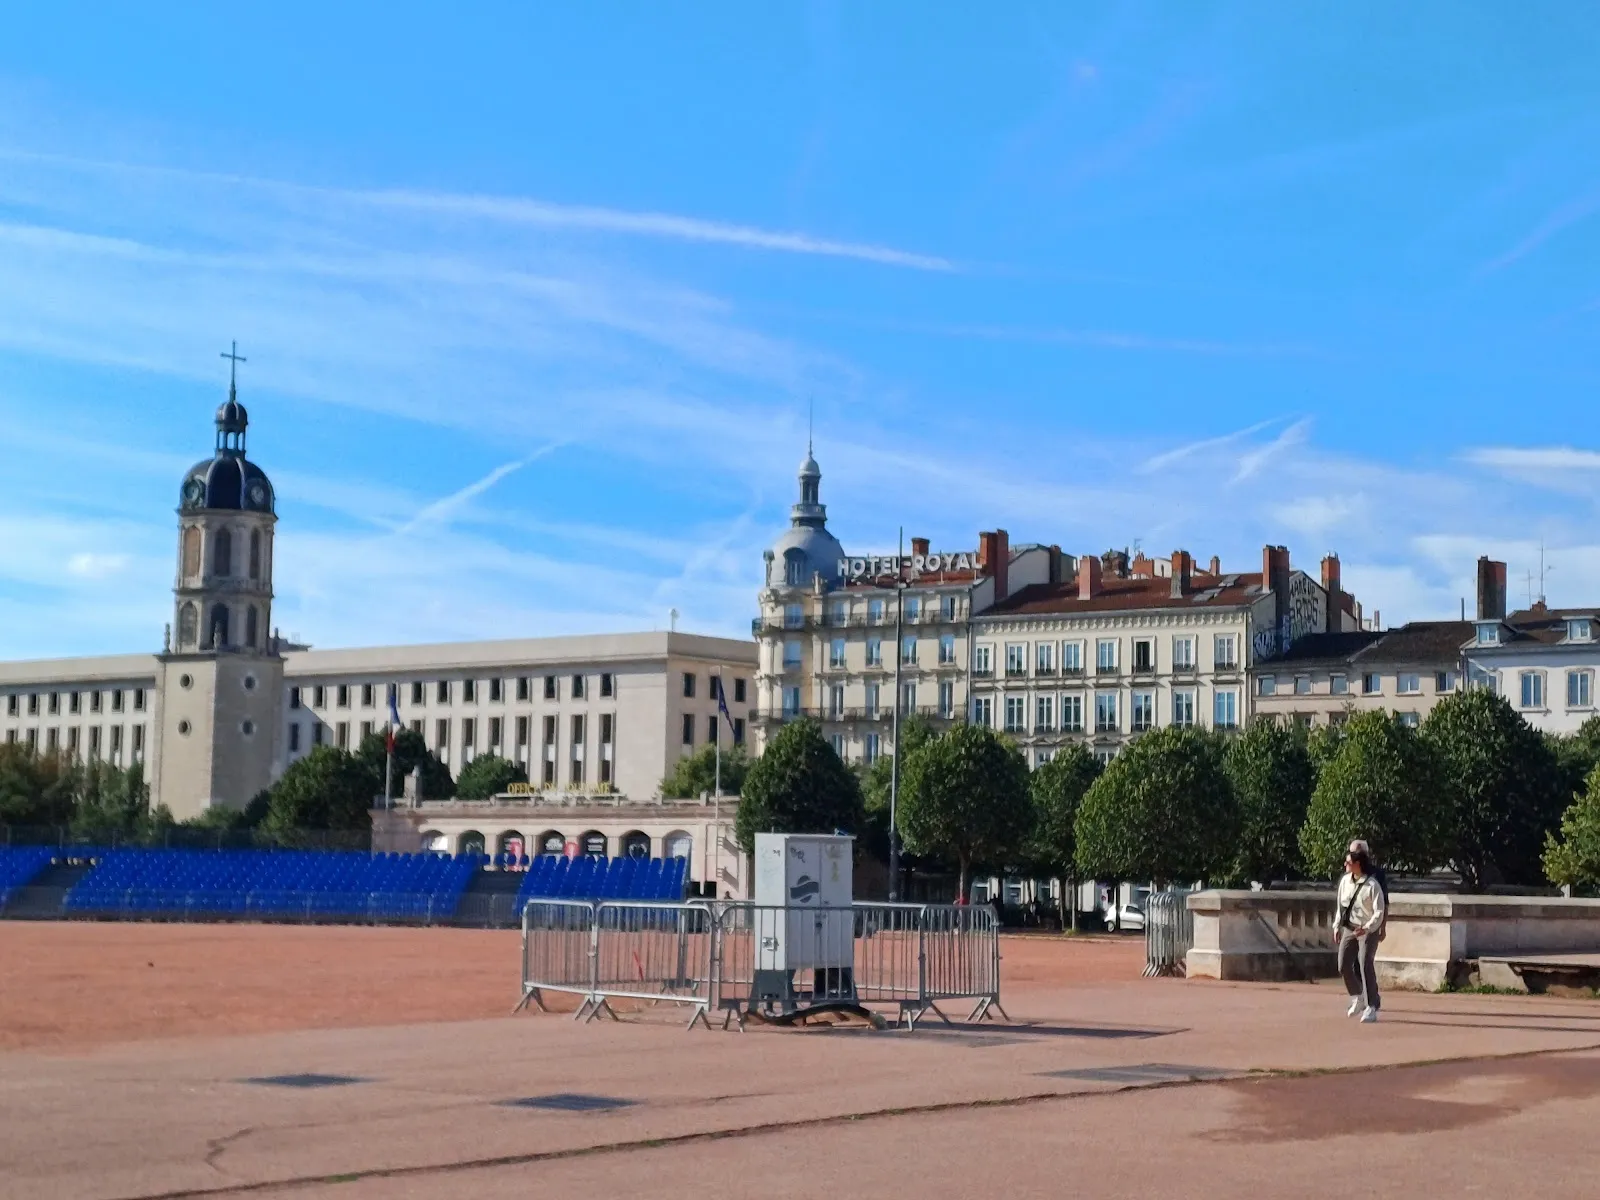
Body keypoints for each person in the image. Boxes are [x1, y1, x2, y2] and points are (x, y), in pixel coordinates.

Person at [1334, 839, 1386, 1023]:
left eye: (1348, 862)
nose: (1345, 865)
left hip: (1367, 931)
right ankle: (1357, 996)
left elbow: (1379, 910)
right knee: (1343, 965)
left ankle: (1372, 1006)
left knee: (1365, 964)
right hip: (1350, 929)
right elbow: (1341, 905)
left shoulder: (1373, 885)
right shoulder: (1344, 882)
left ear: (1358, 864)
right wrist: (1337, 925)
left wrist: (1368, 928)